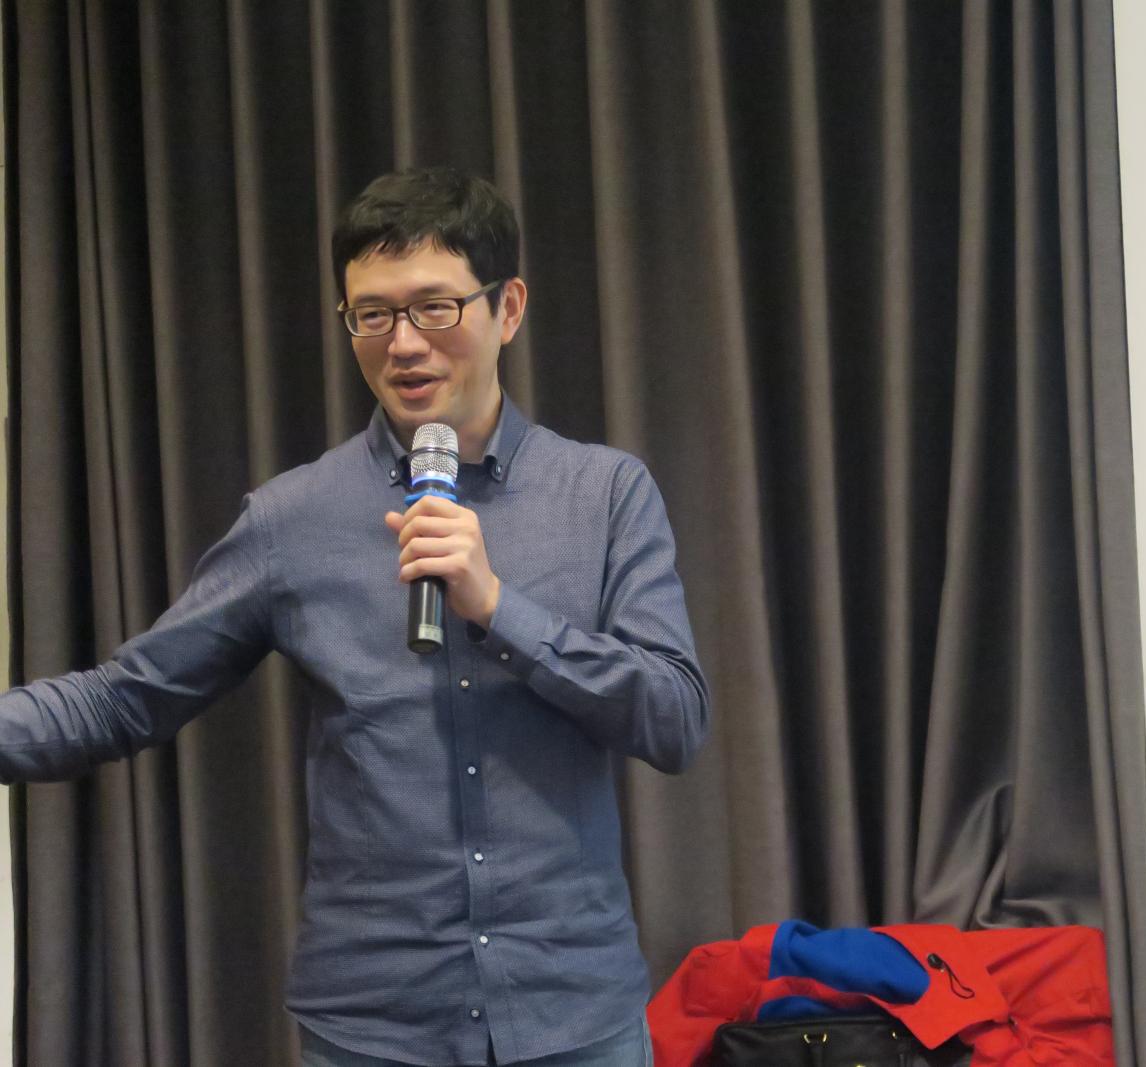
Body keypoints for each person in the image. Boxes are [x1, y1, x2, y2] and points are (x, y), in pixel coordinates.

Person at [0, 167, 710, 1067]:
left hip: (574, 1018)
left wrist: (499, 608)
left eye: (435, 307)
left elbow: (674, 718)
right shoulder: (293, 519)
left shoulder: (604, 494)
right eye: (372, 315)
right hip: (374, 1030)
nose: (403, 344)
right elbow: (125, 696)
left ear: (508, 308)